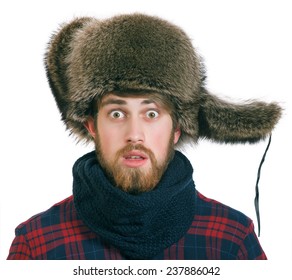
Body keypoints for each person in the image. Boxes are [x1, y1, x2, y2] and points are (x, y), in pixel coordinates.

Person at [7, 14, 282, 260]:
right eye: (117, 114)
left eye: (151, 114)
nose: (134, 135)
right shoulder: (38, 245)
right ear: (92, 125)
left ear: (177, 128)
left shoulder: (231, 241)